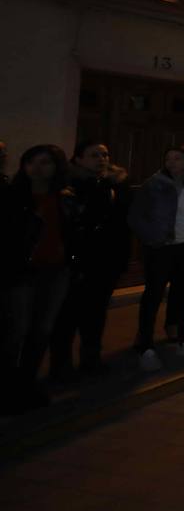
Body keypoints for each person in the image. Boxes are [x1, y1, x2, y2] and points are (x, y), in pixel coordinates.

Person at [0, 145, 75, 414]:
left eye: (45, 162)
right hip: (23, 271)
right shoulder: (14, 196)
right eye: (32, 162)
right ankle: (8, 388)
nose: (37, 168)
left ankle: (27, 383)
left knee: (42, 330)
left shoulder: (64, 198)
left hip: (56, 271)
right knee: (16, 330)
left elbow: (72, 232)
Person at [127, 146, 184, 371]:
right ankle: (145, 346)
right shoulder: (153, 185)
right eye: (168, 159)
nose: (172, 163)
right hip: (161, 247)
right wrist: (152, 237)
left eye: (178, 158)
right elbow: (136, 216)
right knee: (153, 295)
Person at [49, 142, 131, 379]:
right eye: (94, 155)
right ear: (78, 159)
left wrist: (119, 259)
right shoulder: (70, 185)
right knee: (67, 315)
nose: (102, 159)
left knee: (95, 313)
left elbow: (121, 224)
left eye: (105, 154)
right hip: (76, 260)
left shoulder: (115, 184)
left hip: (105, 261)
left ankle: (91, 358)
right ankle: (60, 364)